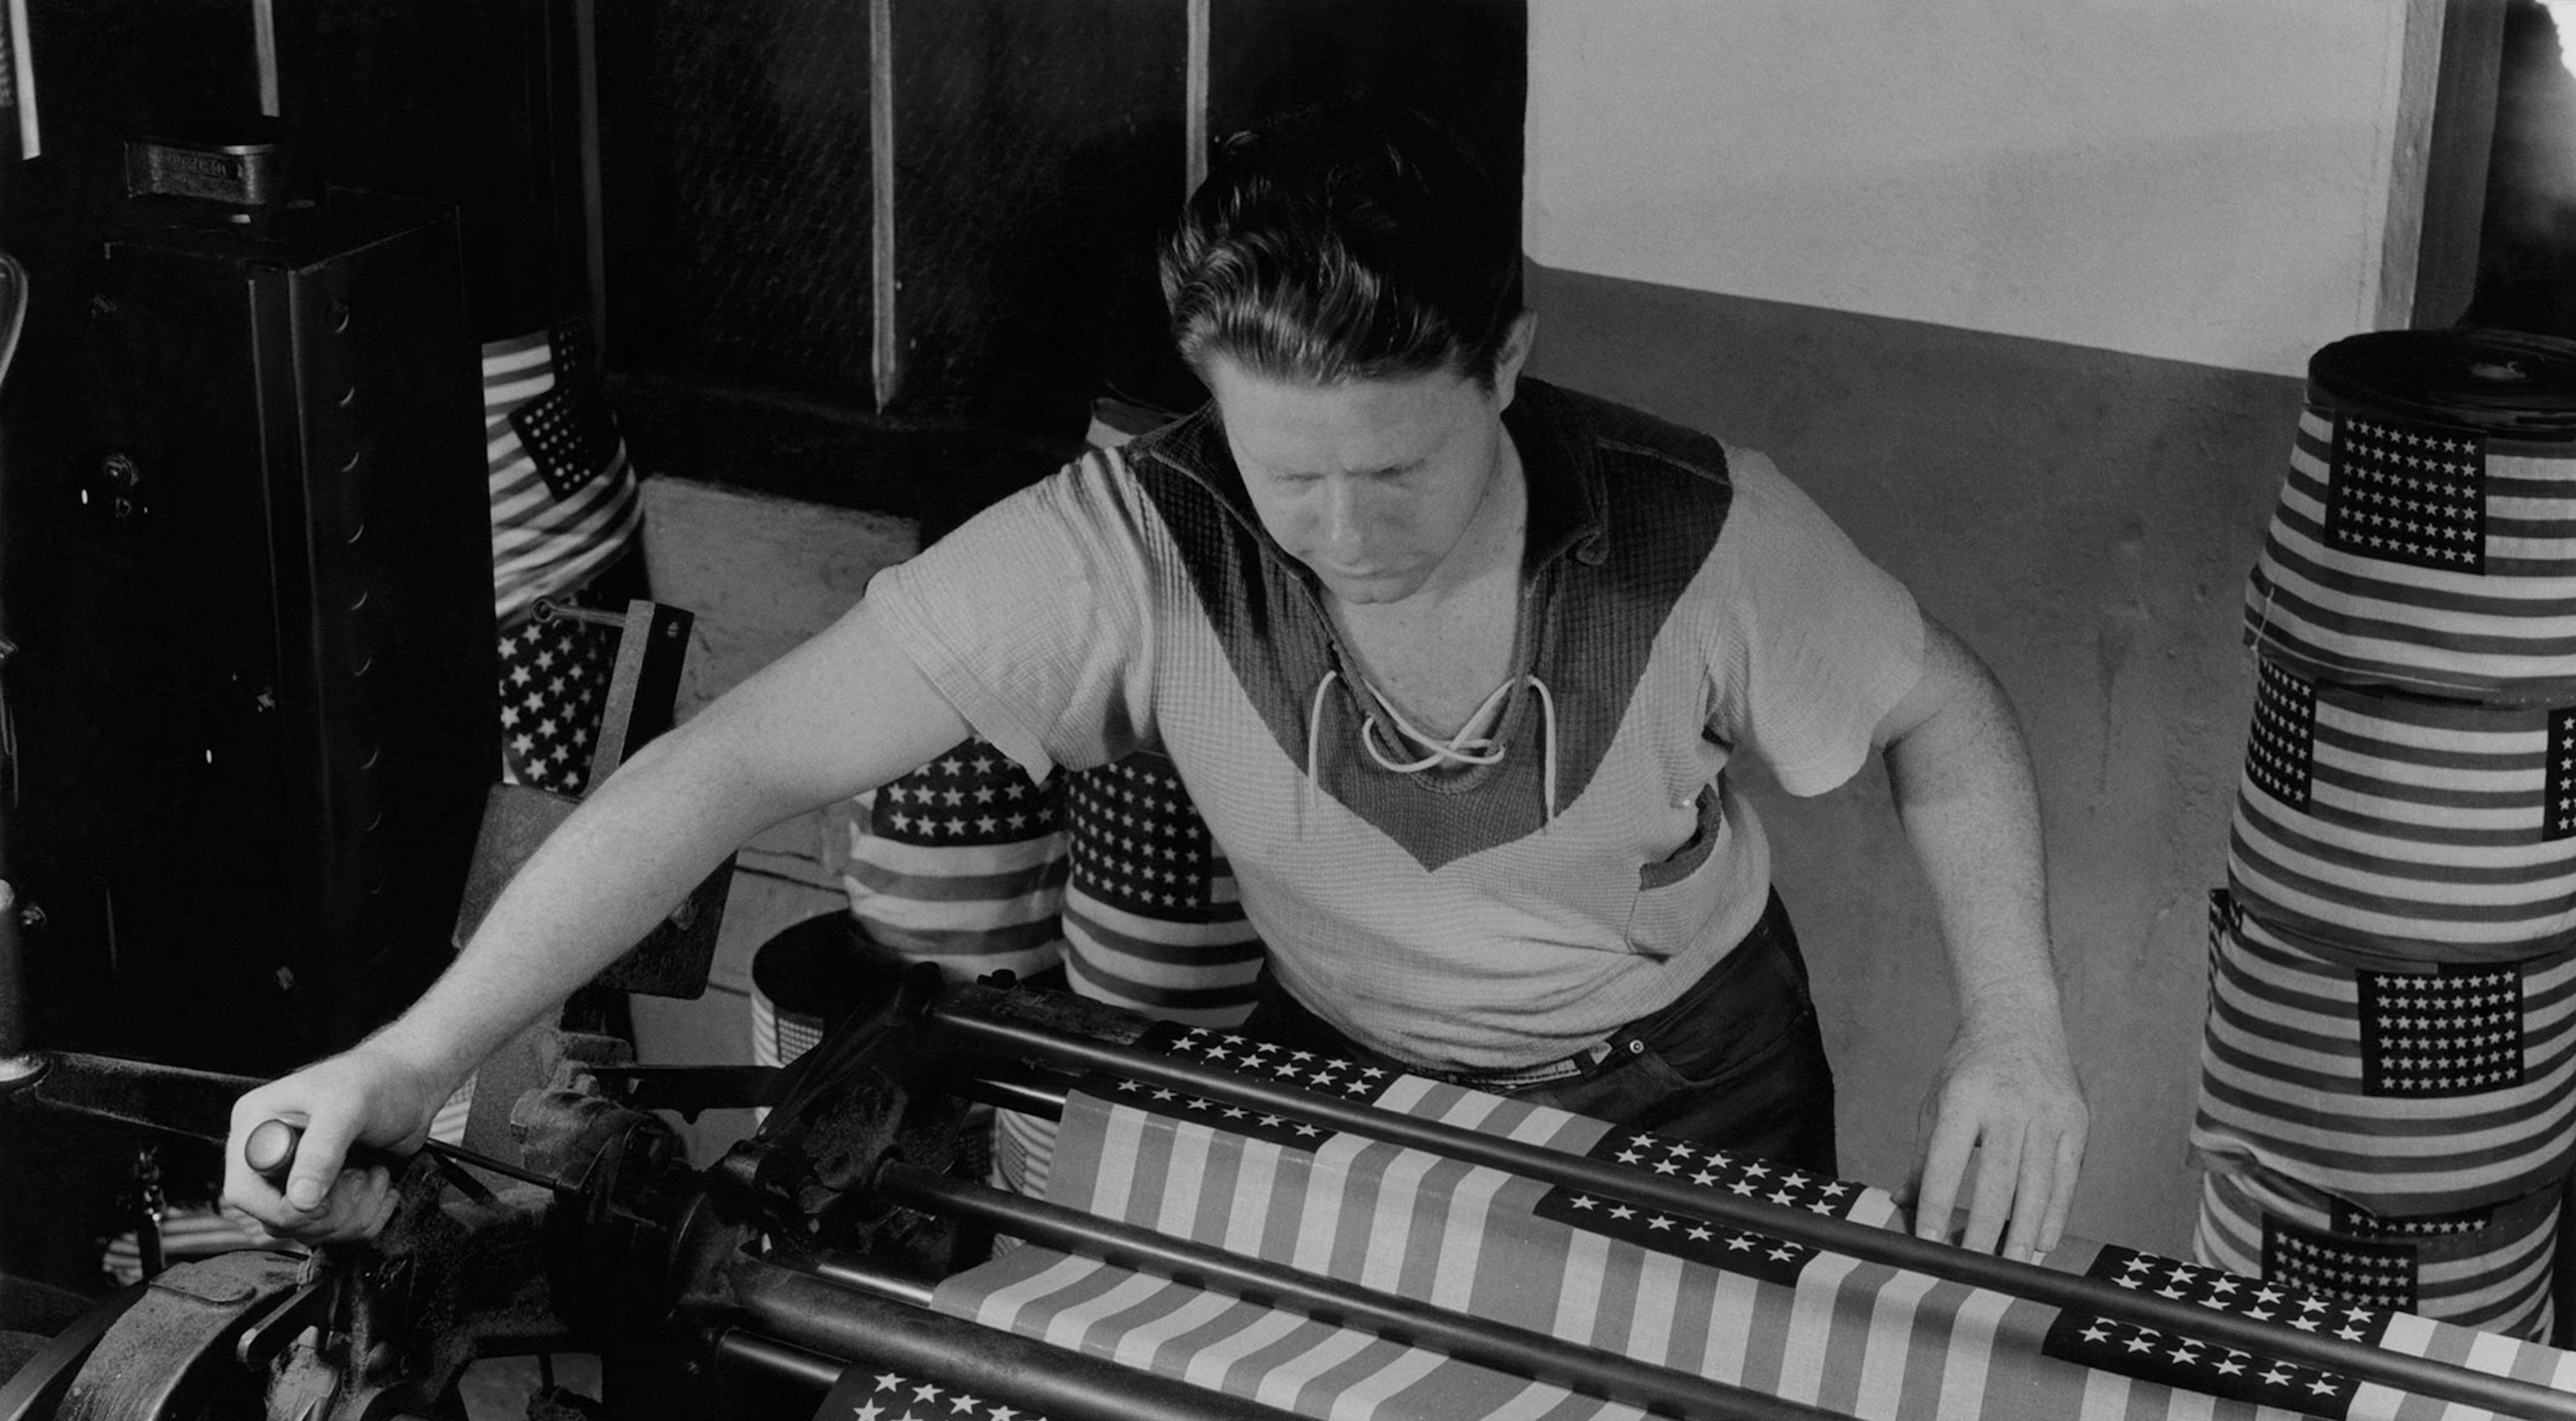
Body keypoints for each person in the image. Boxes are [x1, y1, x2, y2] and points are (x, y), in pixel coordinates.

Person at [225, 97, 2087, 1260]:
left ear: (1505, 367)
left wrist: (2012, 1025)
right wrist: (415, 1052)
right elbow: (723, 769)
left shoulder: (1704, 537)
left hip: (1688, 1082)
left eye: (1403, 469)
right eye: (1294, 473)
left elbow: (1951, 713)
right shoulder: (1135, 538)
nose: (1347, 526)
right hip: (1353, 1074)